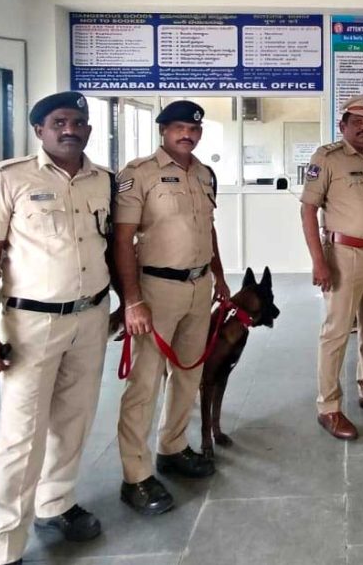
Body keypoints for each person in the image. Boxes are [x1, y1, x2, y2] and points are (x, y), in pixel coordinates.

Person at [0, 92, 113, 565]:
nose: (70, 129)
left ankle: (56, 504)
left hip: (91, 316)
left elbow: (109, 246)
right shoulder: (9, 177)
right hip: (32, 323)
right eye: (59, 121)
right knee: (21, 434)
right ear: (39, 130)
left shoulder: (104, 180)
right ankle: (5, 544)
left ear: (88, 129)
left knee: (75, 418)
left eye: (79, 122)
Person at [114, 100, 229, 516]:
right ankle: (136, 475)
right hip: (156, 288)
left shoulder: (204, 173)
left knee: (188, 373)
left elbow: (208, 229)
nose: (188, 135)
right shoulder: (138, 173)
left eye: (194, 129)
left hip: (200, 285)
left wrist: (220, 276)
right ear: (163, 130)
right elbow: (122, 240)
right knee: (145, 382)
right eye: (179, 127)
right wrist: (132, 300)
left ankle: (173, 446)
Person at [300, 94, 363, 440]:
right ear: (342, 125)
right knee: (336, 332)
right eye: (357, 122)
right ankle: (328, 407)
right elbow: (308, 210)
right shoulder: (327, 158)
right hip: (343, 256)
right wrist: (318, 261)